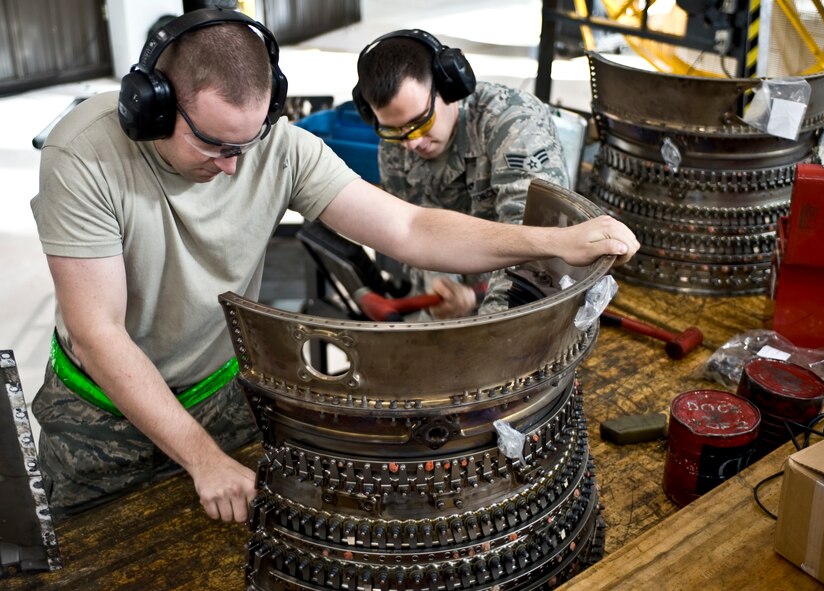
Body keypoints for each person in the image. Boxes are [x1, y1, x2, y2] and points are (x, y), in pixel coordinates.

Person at [30, 9, 638, 524]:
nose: (234, 168)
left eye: (247, 145)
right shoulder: (84, 155)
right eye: (214, 146)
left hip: (219, 393)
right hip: (100, 415)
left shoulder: (280, 148)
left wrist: (550, 241)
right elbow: (98, 330)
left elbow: (409, 228)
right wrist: (201, 457)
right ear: (152, 107)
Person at [352, 29, 576, 319]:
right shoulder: (396, 144)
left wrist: (481, 309)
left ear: (448, 88)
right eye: (393, 130)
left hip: (523, 302)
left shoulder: (513, 122)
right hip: (449, 307)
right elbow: (404, 228)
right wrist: (434, 278)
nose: (411, 142)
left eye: (420, 122)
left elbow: (534, 242)